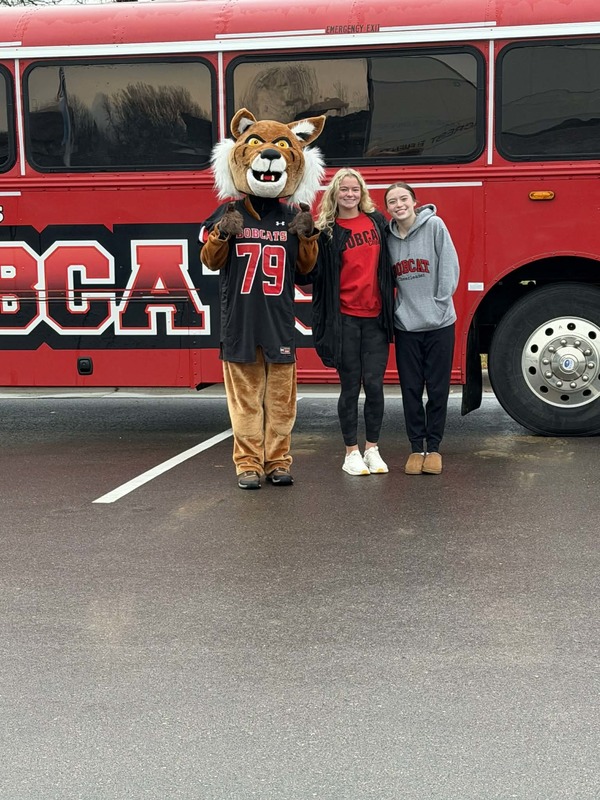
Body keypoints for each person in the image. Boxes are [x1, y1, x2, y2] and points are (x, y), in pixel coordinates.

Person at [200, 108, 325, 490]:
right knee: (245, 403)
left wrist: (307, 238)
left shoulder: (292, 216)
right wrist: (222, 233)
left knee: (282, 403)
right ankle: (248, 464)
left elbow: (306, 273)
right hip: (239, 322)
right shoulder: (229, 212)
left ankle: (278, 462)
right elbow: (208, 261)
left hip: (278, 321)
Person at [311, 168, 394, 476]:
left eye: (354, 189)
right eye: (343, 189)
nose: (349, 194)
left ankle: (372, 448)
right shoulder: (328, 231)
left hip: (376, 319)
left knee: (374, 386)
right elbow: (313, 277)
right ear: (334, 194)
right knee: (350, 387)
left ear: (362, 193)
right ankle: (351, 453)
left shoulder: (377, 223)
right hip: (344, 319)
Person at [384, 181, 460, 475]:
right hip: (407, 326)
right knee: (411, 389)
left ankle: (435, 448)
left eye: (404, 198)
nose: (399, 204)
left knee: (438, 388)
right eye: (392, 201)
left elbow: (449, 267)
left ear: (414, 201)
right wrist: (398, 312)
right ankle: (417, 448)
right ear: (388, 208)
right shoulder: (388, 238)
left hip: (440, 323)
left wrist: (439, 304)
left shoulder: (435, 226)